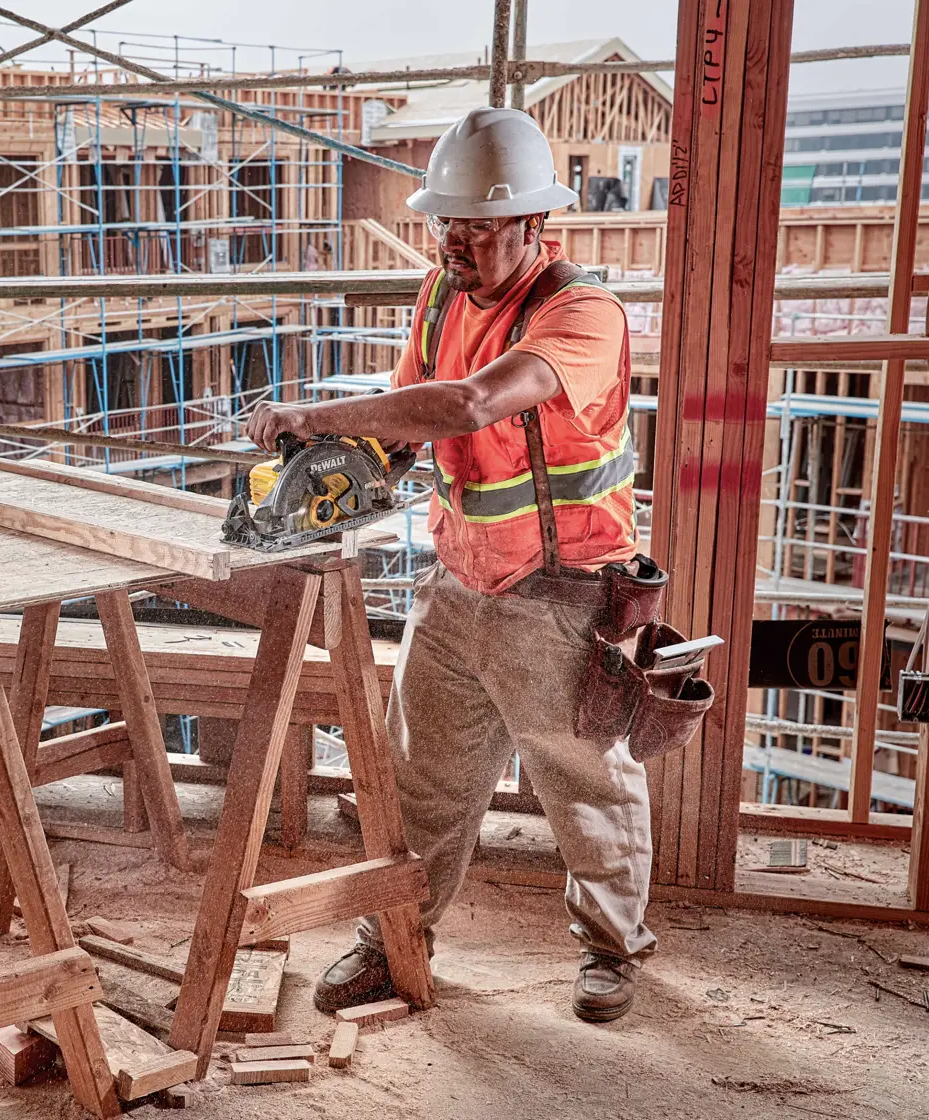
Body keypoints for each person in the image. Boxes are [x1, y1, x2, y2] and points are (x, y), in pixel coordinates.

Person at [244, 106, 654, 1024]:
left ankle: (612, 949)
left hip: (564, 595)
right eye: (446, 223)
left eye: (476, 226)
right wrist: (340, 472)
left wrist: (317, 417)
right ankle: (397, 936)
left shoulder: (581, 314)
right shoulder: (439, 295)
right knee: (420, 781)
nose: (456, 243)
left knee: (584, 784)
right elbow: (410, 415)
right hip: (458, 578)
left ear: (534, 224)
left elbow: (471, 404)